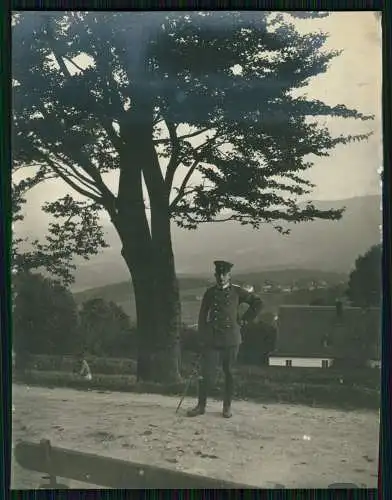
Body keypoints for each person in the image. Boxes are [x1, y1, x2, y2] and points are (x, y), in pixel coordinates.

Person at [187, 260, 262, 418]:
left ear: (229, 275)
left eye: (224, 274)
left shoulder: (237, 292)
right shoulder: (210, 293)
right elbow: (202, 316)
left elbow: (257, 303)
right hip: (212, 340)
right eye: (218, 274)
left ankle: (226, 407)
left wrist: (244, 320)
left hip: (231, 339)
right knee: (205, 373)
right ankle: (201, 406)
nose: (221, 277)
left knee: (229, 373)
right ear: (215, 275)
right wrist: (202, 336)